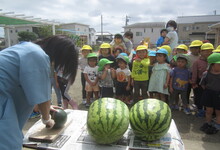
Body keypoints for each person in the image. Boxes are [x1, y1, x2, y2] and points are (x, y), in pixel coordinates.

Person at [0, 35, 78, 150]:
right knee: (8, 144)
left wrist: (46, 107)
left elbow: (30, 90)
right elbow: (43, 98)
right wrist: (47, 119)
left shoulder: (26, 48)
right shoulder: (37, 55)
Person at [200, 53, 220, 134]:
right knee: (208, 110)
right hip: (209, 94)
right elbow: (202, 84)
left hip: (219, 94)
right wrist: (208, 91)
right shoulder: (206, 74)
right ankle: (208, 123)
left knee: (218, 111)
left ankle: (218, 124)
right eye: (218, 64)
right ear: (212, 65)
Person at [191, 43, 214, 117]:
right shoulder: (197, 62)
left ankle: (208, 111)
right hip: (199, 82)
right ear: (201, 52)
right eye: (205, 51)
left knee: (208, 97)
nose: (208, 53)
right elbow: (194, 73)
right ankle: (200, 110)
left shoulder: (213, 61)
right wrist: (194, 83)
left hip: (210, 82)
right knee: (199, 97)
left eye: (210, 51)